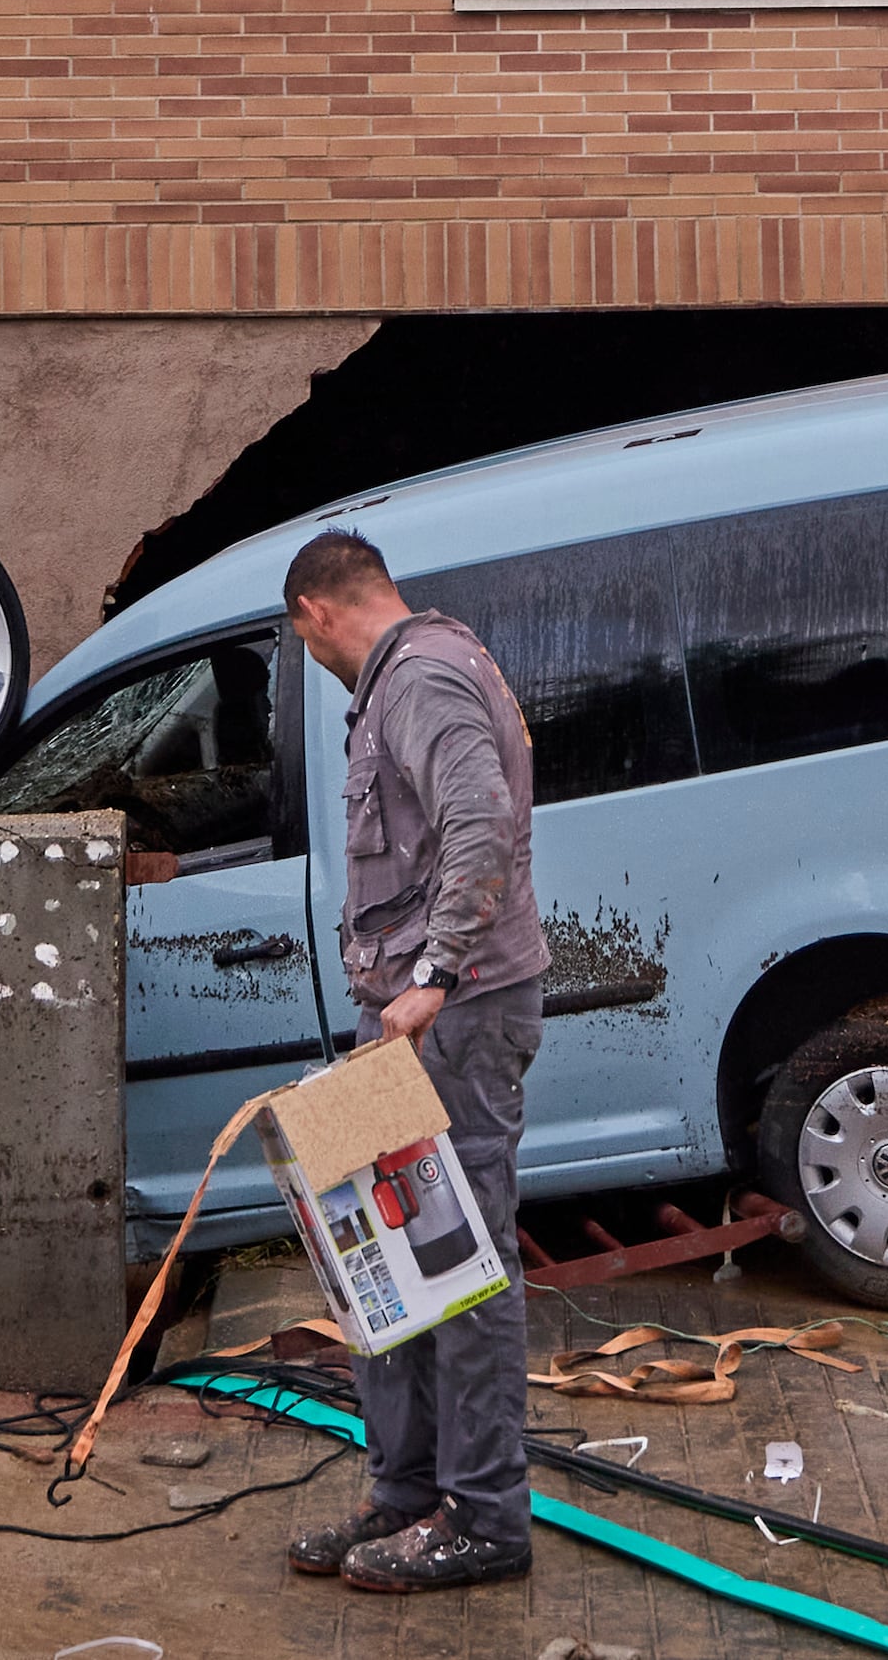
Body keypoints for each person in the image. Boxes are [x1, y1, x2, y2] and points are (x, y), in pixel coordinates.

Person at [274, 525, 548, 1596]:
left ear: (317, 614)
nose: (317, 659)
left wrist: (434, 970)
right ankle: (402, 1497)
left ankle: (483, 1518)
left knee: (462, 1262)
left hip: (455, 1011)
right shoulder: (414, 671)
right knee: (375, 1257)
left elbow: (481, 821)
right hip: (401, 1016)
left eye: (308, 645)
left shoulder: (423, 677)